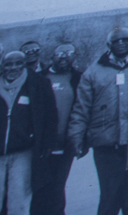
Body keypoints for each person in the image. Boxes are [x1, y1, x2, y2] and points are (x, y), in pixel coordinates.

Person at [67, 28, 128, 215]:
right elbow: (81, 108)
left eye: (125, 39)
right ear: (108, 45)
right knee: (110, 193)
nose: (121, 43)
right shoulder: (93, 72)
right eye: (116, 41)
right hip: (105, 141)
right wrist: (76, 137)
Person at [1, 51, 56, 215]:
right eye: (8, 64)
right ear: (2, 66)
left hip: (23, 152)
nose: (13, 67)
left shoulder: (38, 84)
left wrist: (47, 143)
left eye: (18, 63)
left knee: (19, 199)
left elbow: (50, 116)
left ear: (25, 64)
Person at [31, 45, 82, 215]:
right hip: (40, 145)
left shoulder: (78, 78)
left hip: (65, 143)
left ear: (74, 58)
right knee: (40, 188)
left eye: (68, 54)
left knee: (58, 187)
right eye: (59, 54)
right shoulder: (38, 78)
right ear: (52, 56)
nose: (64, 57)